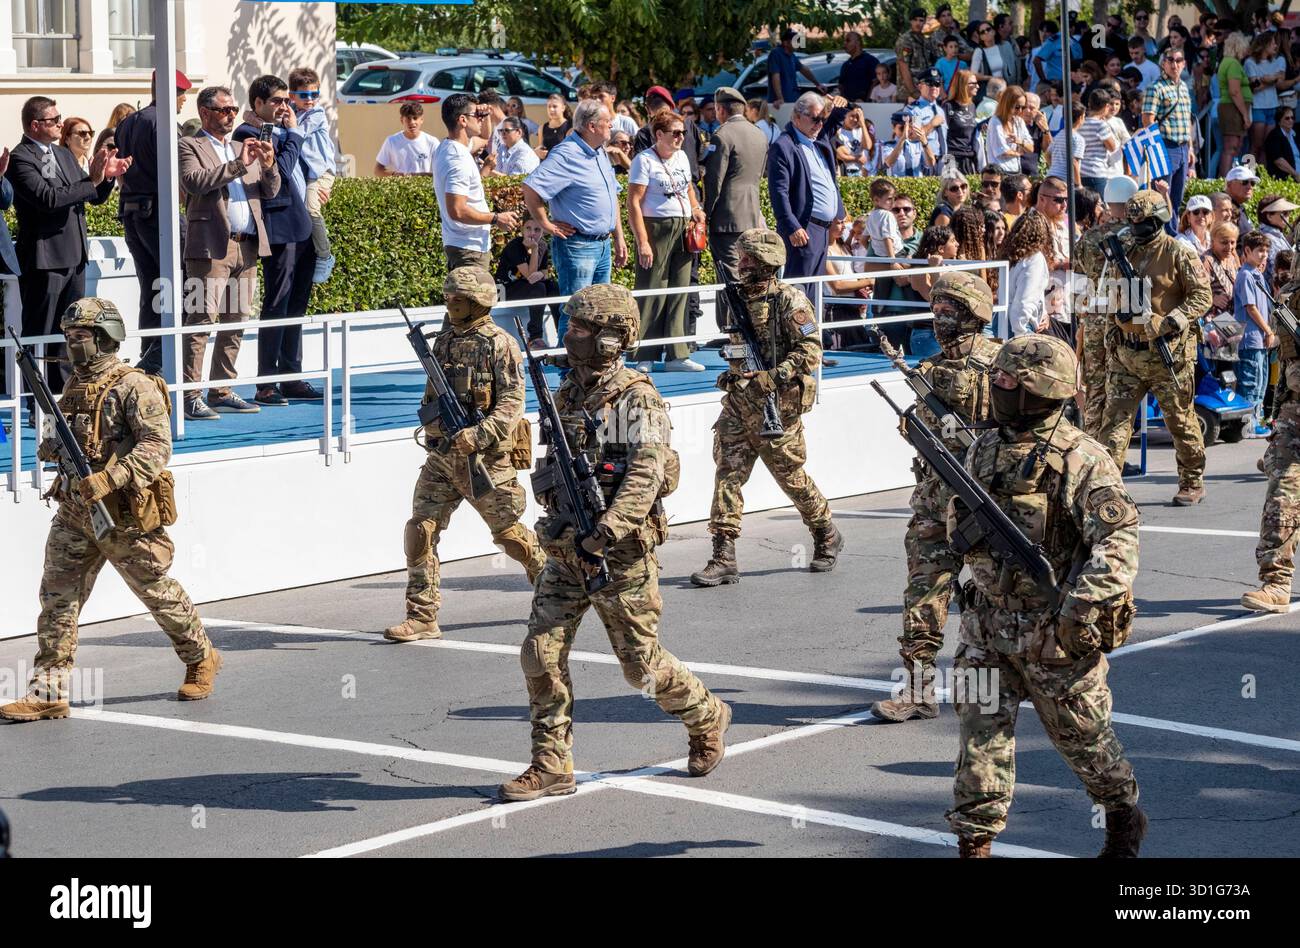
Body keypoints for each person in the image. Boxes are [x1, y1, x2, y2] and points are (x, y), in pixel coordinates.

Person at [499, 283, 731, 801]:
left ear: (611, 338)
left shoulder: (634, 397)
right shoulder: (566, 392)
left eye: (581, 328)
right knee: (540, 653)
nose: (569, 335)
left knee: (641, 668)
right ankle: (552, 764)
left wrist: (601, 537)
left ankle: (707, 714)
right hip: (565, 550)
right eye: (571, 325)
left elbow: (644, 477)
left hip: (617, 553)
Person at [945, 333, 1144, 859]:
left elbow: (1119, 544)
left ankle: (1123, 816)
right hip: (987, 629)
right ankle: (975, 841)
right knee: (979, 742)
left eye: (1009, 381)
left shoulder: (1082, 458)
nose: (999, 388)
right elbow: (952, 528)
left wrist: (1075, 612)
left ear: (1039, 390)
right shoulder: (983, 446)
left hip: (1055, 634)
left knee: (1085, 742)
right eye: (999, 379)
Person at [0, 299, 221, 722]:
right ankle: (48, 691)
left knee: (155, 590)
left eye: (79, 337)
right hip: (74, 510)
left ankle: (201, 656)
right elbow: (73, 436)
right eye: (68, 337)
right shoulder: (73, 386)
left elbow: (158, 447)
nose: (71, 345)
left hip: (122, 514)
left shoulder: (134, 385)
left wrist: (112, 477)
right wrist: (53, 448)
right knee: (57, 600)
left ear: (105, 338)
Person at [385, 266, 546, 643]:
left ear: (478, 302)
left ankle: (553, 582)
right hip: (442, 456)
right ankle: (422, 616)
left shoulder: (500, 344)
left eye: (459, 298)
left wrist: (478, 434)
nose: (451, 303)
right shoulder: (442, 342)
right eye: (449, 297)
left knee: (510, 536)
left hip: (484, 460)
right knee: (420, 531)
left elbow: (512, 402)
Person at [870, 271, 1002, 724]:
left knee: (993, 597)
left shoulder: (1004, 364)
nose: (941, 317)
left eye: (951, 310)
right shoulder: (927, 370)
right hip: (933, 502)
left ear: (974, 315)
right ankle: (918, 688)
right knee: (923, 594)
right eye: (938, 309)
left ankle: (1001, 685)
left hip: (986, 500)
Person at [690, 228, 842, 586]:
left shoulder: (790, 301)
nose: (740, 264)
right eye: (741, 257)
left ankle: (826, 532)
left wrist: (774, 375)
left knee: (791, 478)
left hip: (778, 405)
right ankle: (723, 555)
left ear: (765, 263)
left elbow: (810, 351)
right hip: (739, 402)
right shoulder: (736, 298)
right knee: (728, 474)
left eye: (748, 258)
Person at [1097, 191, 1212, 505]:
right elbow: (1112, 297)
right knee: (1115, 424)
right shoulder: (1122, 252)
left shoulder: (1179, 252)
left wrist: (1170, 321)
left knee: (1180, 421)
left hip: (1168, 355)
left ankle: (1192, 481)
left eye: (1144, 222)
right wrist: (1111, 336)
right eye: (1133, 222)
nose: (1137, 228)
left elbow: (1202, 297)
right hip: (1127, 355)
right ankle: (1106, 487)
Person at [8, 96, 124, 392]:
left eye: (60, 118)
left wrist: (106, 179)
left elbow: (89, 194)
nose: (61, 123)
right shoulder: (21, 158)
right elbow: (49, 199)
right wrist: (92, 181)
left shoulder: (63, 155)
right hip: (45, 258)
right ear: (35, 125)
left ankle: (63, 394)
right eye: (54, 120)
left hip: (74, 257)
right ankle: (36, 399)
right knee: (40, 333)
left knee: (73, 332)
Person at [176, 86, 277, 420]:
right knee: (201, 321)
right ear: (205, 112)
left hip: (246, 245)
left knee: (236, 322)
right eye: (224, 110)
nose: (232, 115)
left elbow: (270, 189)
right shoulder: (190, 144)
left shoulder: (240, 146)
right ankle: (190, 394)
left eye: (234, 109)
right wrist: (238, 164)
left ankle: (221, 389)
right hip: (210, 247)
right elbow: (194, 181)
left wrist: (269, 163)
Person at [233, 75, 322, 409]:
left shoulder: (284, 133)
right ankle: (266, 382)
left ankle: (290, 374)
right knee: (277, 303)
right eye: (276, 101)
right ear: (257, 104)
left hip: (300, 225)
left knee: (296, 303)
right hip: (277, 228)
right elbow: (279, 172)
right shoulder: (247, 134)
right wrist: (295, 135)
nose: (285, 107)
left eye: (287, 101)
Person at [523, 99, 628, 342]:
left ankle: (592, 370)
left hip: (602, 246)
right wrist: (547, 224)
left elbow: (612, 195)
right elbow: (530, 189)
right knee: (575, 314)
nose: (611, 125)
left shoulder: (600, 151)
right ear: (592, 126)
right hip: (577, 246)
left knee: (600, 312)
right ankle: (568, 373)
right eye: (606, 122)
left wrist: (618, 237)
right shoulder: (566, 154)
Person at [111, 70, 192, 377]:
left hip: (133, 212)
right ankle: (155, 361)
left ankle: (150, 357)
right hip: (159, 212)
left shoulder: (128, 121)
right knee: (183, 287)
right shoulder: (163, 123)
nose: (184, 100)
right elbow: (175, 172)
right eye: (182, 94)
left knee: (152, 289)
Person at [627, 109, 706, 373]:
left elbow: (688, 189)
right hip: (656, 227)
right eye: (675, 133)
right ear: (659, 134)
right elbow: (634, 203)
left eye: (682, 132)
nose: (680, 137)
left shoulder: (682, 157)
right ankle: (644, 354)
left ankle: (677, 354)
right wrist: (643, 242)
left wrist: (696, 209)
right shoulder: (643, 160)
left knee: (680, 290)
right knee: (652, 291)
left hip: (683, 228)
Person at [1241, 279, 1300, 612]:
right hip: (1295, 411)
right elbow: (1288, 362)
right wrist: (1277, 419)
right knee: (1283, 491)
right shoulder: (1289, 296)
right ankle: (1276, 583)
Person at [767, 91, 848, 287]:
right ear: (796, 117)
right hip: (804, 228)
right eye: (814, 118)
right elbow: (779, 192)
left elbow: (835, 121)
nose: (819, 123)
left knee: (814, 290)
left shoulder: (817, 139)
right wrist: (792, 226)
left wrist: (840, 103)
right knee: (798, 290)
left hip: (823, 229)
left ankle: (811, 320)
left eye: (822, 118)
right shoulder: (783, 146)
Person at [435, 93, 517, 273]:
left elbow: (485, 138)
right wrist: (496, 218)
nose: (480, 119)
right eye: (477, 116)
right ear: (462, 120)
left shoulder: (450, 147)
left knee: (473, 301)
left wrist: (483, 114)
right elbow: (457, 210)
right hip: (468, 250)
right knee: (475, 301)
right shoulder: (457, 159)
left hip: (465, 247)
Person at [703, 86, 768, 285]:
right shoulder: (759, 134)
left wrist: (705, 214)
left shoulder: (721, 135)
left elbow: (713, 181)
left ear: (721, 110)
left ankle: (730, 318)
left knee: (729, 279)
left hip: (726, 220)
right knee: (747, 275)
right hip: (751, 216)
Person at [288, 67, 337, 284]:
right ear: (292, 96)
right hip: (308, 173)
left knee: (311, 209)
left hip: (321, 172)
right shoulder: (291, 109)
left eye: (314, 95)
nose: (310, 100)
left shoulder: (316, 114)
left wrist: (286, 118)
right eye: (304, 95)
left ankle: (325, 255)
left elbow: (297, 132)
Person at [1142, 48, 1195, 236]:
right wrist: (1155, 147)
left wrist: (1190, 148)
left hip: (1181, 146)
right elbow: (1148, 119)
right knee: (1162, 194)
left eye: (1178, 60)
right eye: (1170, 60)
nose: (1174, 64)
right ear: (1163, 63)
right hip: (1164, 145)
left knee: (1177, 196)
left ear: (1184, 63)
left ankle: (1171, 233)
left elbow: (1186, 119)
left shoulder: (1183, 87)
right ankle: (1162, 234)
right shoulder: (1156, 87)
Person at [1234, 231, 1277, 438]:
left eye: (1267, 251)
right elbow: (1250, 307)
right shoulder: (1245, 275)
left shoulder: (1258, 275)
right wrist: (1268, 330)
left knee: (1261, 383)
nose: (1264, 255)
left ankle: (1256, 420)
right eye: (1260, 250)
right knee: (1250, 382)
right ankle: (1247, 425)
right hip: (1250, 338)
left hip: (1261, 339)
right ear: (1247, 251)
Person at [497, 217, 559, 347]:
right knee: (539, 287)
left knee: (553, 287)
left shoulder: (542, 245)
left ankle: (562, 331)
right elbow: (531, 276)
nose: (532, 233)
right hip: (504, 289)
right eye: (528, 228)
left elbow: (545, 272)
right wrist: (534, 250)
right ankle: (535, 337)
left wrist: (542, 273)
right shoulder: (515, 246)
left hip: (525, 286)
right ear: (522, 230)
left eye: (537, 230)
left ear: (543, 231)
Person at [1001, 208, 1052, 337]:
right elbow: (1023, 303)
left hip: (1006, 321)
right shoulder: (1034, 259)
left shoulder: (1011, 255)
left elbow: (1034, 295)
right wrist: (1022, 335)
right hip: (1019, 327)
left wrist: (1043, 313)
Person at [1245, 32, 1290, 160]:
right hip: (1258, 107)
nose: (1276, 45)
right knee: (1256, 145)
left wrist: (1268, 79)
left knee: (1266, 145)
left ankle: (1263, 177)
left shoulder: (1275, 61)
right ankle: (1250, 174)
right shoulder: (1250, 62)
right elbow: (1255, 87)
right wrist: (1272, 79)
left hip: (1272, 106)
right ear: (1264, 44)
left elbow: (1280, 79)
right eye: (1273, 43)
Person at [1216, 33, 1253, 177]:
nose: (1246, 51)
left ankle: (1230, 178)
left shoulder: (1228, 62)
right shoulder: (1232, 63)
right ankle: (1225, 180)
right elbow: (1235, 91)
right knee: (1230, 147)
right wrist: (1245, 114)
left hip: (1232, 107)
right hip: (1232, 109)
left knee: (1234, 146)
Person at [768, 27, 829, 108]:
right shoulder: (776, 54)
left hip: (792, 99)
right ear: (786, 43)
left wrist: (817, 84)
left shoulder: (792, 56)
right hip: (781, 103)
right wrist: (780, 98)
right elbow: (775, 76)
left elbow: (803, 69)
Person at [1079, 88, 1119, 193]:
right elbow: (1112, 147)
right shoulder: (1101, 125)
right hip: (1096, 171)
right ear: (1106, 106)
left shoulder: (1080, 123)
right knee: (1100, 207)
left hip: (1080, 172)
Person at [988, 85, 1033, 173]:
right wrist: (1019, 153)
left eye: (1023, 107)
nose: (1020, 111)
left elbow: (1031, 148)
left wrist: (1020, 142)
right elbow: (1002, 152)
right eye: (1017, 107)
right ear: (1007, 104)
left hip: (1016, 170)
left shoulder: (1019, 121)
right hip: (999, 172)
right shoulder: (995, 122)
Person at [895, 7, 936, 102]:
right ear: (910, 21)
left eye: (921, 20)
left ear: (924, 22)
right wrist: (913, 92)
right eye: (915, 20)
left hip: (923, 92)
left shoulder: (925, 40)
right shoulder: (905, 40)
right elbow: (903, 66)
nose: (918, 23)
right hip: (909, 94)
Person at [879, 108, 936, 176]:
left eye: (910, 127)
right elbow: (888, 163)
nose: (907, 130)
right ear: (893, 128)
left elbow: (931, 163)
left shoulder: (918, 144)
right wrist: (902, 139)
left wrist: (924, 142)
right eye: (902, 128)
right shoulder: (888, 145)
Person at [1044, 94, 1085, 185]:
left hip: (1051, 176)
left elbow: (1047, 154)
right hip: (1065, 180)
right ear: (1081, 118)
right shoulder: (1078, 139)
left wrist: (1054, 168)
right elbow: (1074, 162)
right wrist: (1079, 184)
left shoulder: (1059, 135)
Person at [945, 71, 981, 172]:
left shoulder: (972, 106)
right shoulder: (948, 106)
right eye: (973, 83)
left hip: (969, 158)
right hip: (952, 158)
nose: (977, 86)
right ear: (963, 85)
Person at [1255, 194, 1296, 280]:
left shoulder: (1274, 236)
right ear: (1269, 216)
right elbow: (1276, 274)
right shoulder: (1269, 240)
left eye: (1289, 213)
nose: (1288, 216)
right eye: (1284, 213)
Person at [839, 30, 879, 103]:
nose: (844, 44)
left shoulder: (870, 61)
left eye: (848, 41)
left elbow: (876, 83)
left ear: (858, 43)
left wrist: (867, 101)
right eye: (844, 41)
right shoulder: (846, 65)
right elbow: (841, 86)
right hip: (847, 108)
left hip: (867, 107)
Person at [1264, 105, 1300, 181]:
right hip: (1286, 178)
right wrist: (1296, 174)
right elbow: (1279, 161)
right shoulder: (1274, 136)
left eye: (1292, 118)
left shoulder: (1296, 134)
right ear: (1279, 121)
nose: (1291, 120)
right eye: (1287, 118)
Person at [835, 107, 871, 176]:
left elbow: (868, 146)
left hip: (859, 172)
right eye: (852, 116)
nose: (855, 119)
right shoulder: (838, 131)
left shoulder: (860, 131)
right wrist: (857, 159)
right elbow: (840, 155)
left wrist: (863, 124)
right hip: (844, 172)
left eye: (858, 117)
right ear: (845, 115)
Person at [1226, 164, 1258, 236]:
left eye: (1252, 183)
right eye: (1244, 182)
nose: (1249, 187)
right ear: (1229, 184)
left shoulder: (1240, 206)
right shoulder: (1222, 206)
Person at [537, 93, 572, 158]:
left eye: (555, 106)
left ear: (563, 108)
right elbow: (540, 147)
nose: (551, 109)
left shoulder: (570, 127)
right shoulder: (542, 128)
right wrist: (537, 152)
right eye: (549, 106)